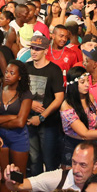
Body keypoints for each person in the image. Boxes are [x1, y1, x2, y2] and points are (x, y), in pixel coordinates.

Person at [0, 59, 32, 192]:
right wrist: (10, 117)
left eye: (12, 73)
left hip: (18, 138)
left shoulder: (26, 94)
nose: (7, 75)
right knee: (4, 176)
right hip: (1, 137)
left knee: (19, 177)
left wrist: (0, 120)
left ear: (20, 77)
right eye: (6, 72)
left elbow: (20, 122)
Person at [25, 34, 64, 176]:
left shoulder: (54, 70)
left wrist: (41, 117)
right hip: (29, 121)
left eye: (38, 49)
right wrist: (30, 104)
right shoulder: (26, 67)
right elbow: (19, 92)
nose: (34, 51)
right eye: (32, 48)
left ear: (46, 51)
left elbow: (59, 98)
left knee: (49, 161)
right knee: (34, 160)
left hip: (48, 124)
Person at [4, 140, 97, 192]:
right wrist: (12, 176)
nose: (76, 169)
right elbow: (19, 185)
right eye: (74, 162)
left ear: (95, 165)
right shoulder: (58, 178)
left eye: (83, 165)